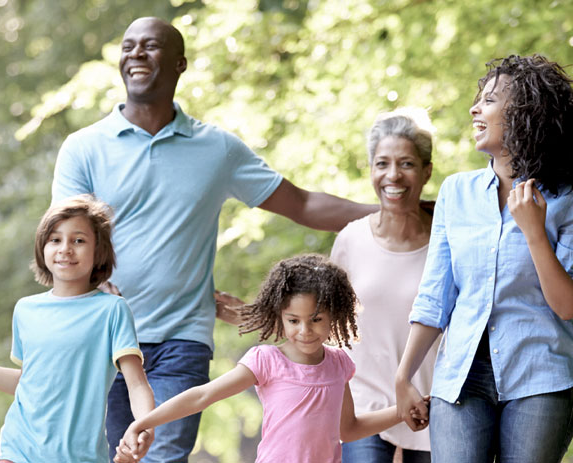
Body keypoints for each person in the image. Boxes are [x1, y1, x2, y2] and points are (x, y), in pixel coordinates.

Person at [51, 17, 376, 461]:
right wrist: (89, 286)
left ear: (180, 63)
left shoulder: (216, 149)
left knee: (161, 456)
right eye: (128, 47)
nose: (136, 54)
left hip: (181, 339)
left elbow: (300, 204)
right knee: (105, 455)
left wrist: (393, 212)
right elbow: (63, 239)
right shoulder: (83, 148)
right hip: (102, 337)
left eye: (150, 46)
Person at [393, 54, 573, 463]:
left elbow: (567, 306)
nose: (475, 108)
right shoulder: (456, 193)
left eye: (489, 101)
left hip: (540, 377)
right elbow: (436, 296)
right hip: (460, 378)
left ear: (525, 114)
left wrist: (535, 232)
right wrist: (404, 376)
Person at [114, 255, 411, 463]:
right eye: (294, 320)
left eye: (316, 319)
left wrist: (402, 412)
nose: (305, 330)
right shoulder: (266, 360)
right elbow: (201, 396)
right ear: (279, 316)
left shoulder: (339, 364)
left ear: (334, 315)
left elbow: (349, 429)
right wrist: (143, 422)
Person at [0, 195, 156, 463]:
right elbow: (27, 383)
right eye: (55, 239)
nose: (65, 249)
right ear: (42, 248)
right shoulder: (25, 310)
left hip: (80, 456)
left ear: (99, 252)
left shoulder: (112, 311)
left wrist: (146, 425)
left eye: (79, 240)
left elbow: (137, 384)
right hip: (18, 450)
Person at [331, 111, 439, 463]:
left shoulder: (446, 240)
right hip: (365, 406)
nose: (393, 175)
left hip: (432, 405)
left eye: (406, 163)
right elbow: (332, 326)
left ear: (426, 171)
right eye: (382, 163)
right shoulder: (351, 239)